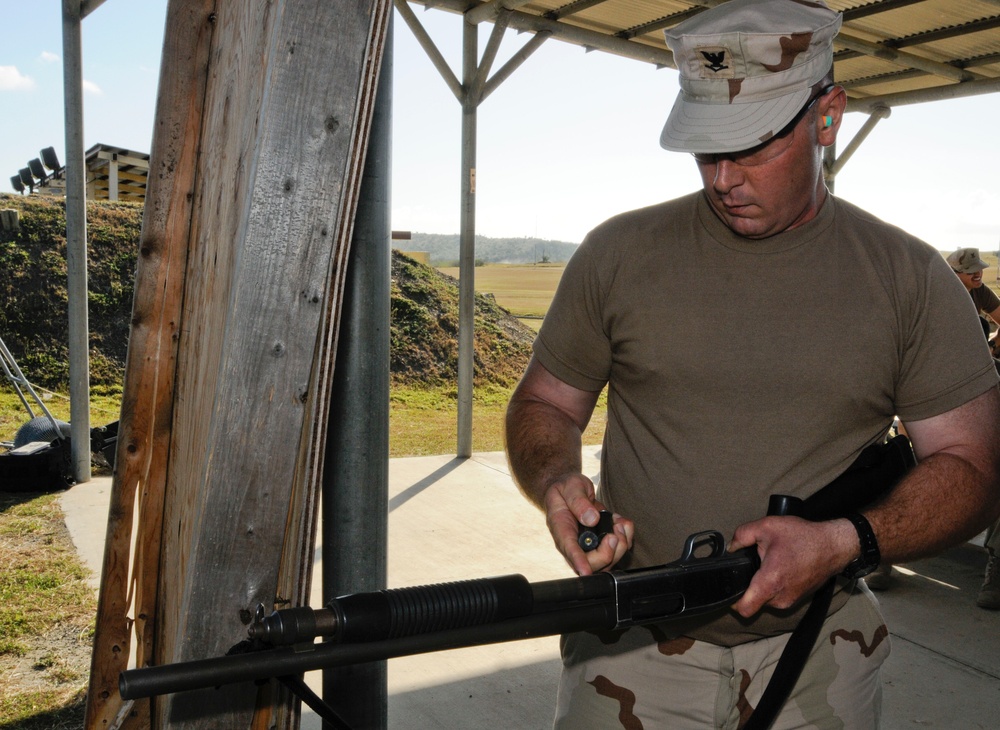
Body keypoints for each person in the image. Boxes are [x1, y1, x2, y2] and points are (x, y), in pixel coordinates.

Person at [504, 0, 1000, 727]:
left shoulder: (909, 279)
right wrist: (555, 481)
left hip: (819, 656)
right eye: (708, 149)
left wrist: (843, 542)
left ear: (827, 116)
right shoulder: (619, 255)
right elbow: (545, 404)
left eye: (754, 146)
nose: (723, 178)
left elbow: (975, 469)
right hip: (628, 652)